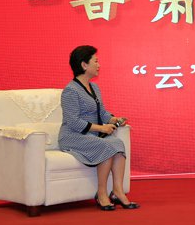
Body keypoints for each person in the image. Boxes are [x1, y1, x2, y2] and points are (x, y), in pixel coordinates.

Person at [58, 45, 139, 211]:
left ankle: (117, 192)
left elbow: (102, 112)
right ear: (84, 65)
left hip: (91, 135)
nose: (99, 65)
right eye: (95, 61)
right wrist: (101, 129)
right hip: (72, 136)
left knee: (117, 144)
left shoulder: (94, 87)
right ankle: (102, 193)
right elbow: (73, 122)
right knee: (105, 145)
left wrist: (114, 119)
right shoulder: (70, 91)